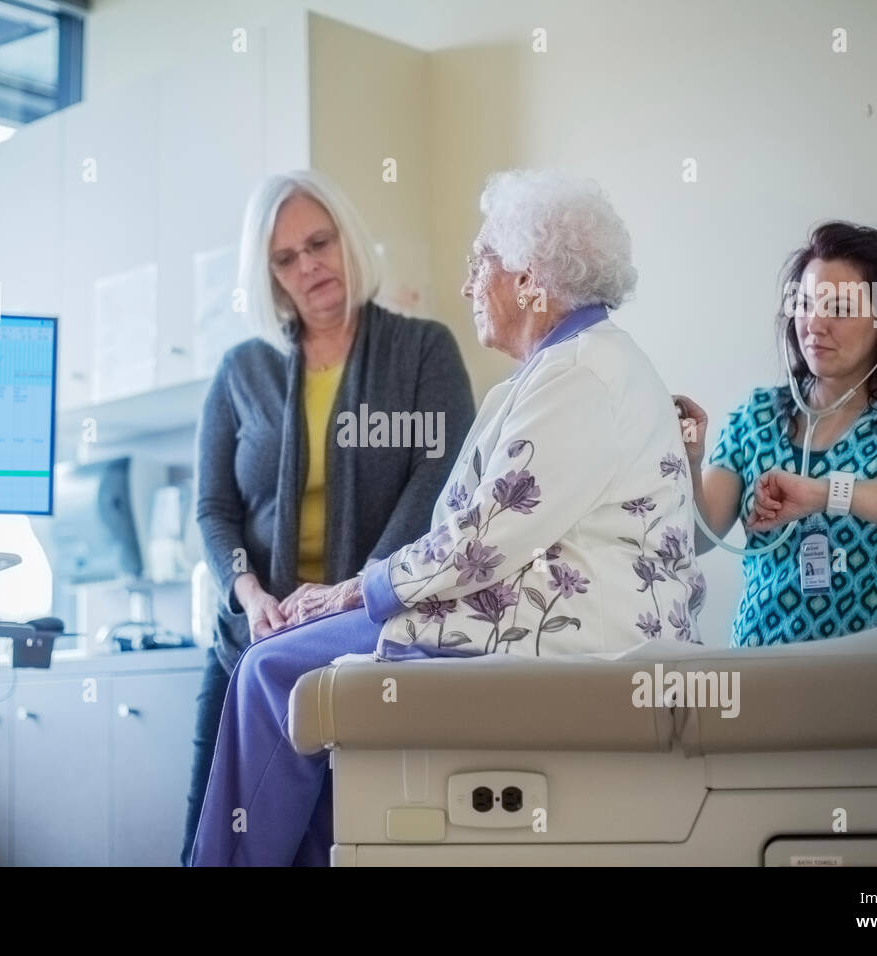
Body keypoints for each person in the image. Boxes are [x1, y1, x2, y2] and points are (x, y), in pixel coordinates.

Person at [190, 169, 705, 866]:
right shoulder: (560, 370)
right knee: (284, 690)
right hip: (525, 608)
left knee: (272, 672)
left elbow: (480, 541)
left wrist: (352, 589)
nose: (468, 286)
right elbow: (479, 532)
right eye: (285, 257)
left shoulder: (578, 374)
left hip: (559, 627)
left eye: (480, 264)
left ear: (530, 278)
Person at [182, 170, 474, 866]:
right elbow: (214, 508)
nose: (308, 265)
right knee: (211, 842)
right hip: (248, 644)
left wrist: (348, 595)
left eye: (319, 242)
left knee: (336, 845)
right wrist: (248, 594)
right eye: (286, 257)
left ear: (348, 239)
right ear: (269, 274)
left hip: (369, 641)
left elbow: (437, 484)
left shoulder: (423, 351)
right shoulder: (240, 372)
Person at [675, 221, 877, 646]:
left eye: (841, 309)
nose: (815, 324)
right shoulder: (757, 416)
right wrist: (692, 461)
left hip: (876, 673)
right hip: (762, 665)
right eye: (807, 304)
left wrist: (826, 493)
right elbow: (701, 537)